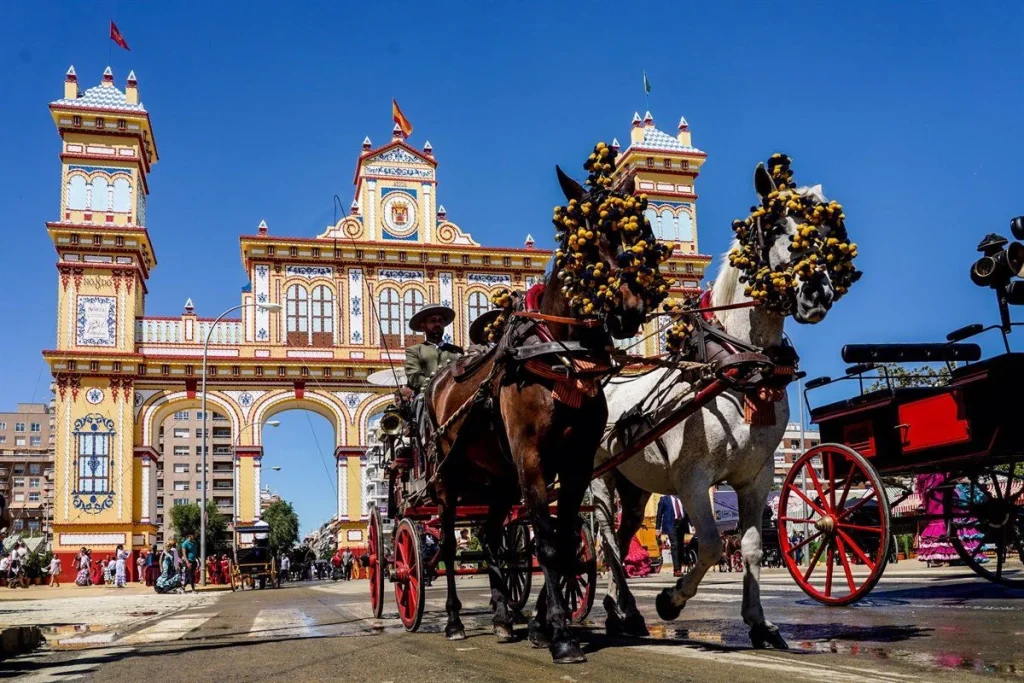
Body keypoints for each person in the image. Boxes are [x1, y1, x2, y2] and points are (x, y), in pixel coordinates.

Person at [656, 494, 691, 577]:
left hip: (682, 524)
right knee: (674, 545)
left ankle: (679, 567)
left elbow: (687, 512)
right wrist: (657, 529)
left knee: (680, 546)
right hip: (671, 525)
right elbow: (659, 514)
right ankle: (676, 569)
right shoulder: (664, 499)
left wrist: (692, 525)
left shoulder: (682, 498)